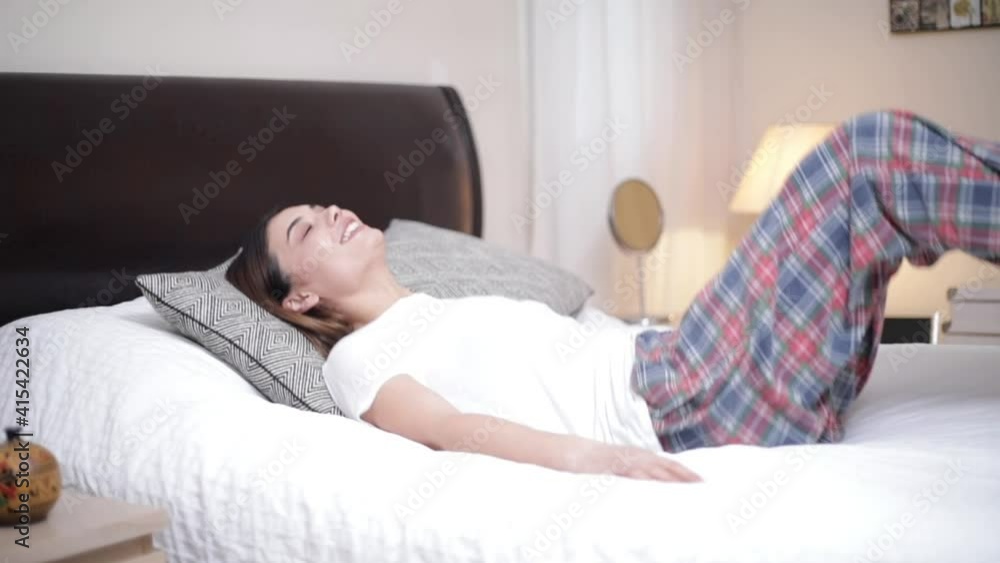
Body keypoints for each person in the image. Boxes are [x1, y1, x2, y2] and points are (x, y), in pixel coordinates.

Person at [227, 110, 1000, 483]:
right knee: (863, 157)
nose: (331, 211)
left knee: (873, 181)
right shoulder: (358, 358)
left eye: (321, 205)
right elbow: (454, 430)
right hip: (682, 398)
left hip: (681, 366)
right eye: (305, 228)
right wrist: (606, 460)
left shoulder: (435, 305)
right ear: (298, 297)